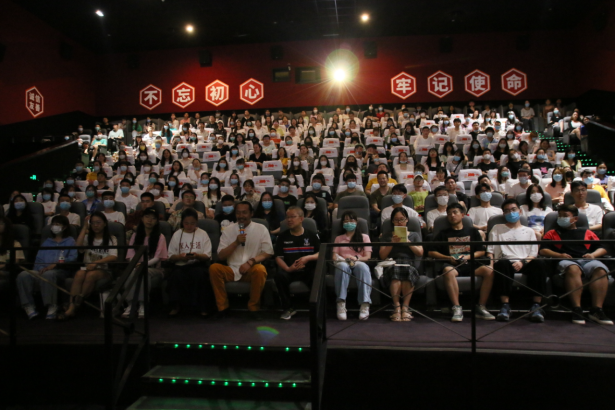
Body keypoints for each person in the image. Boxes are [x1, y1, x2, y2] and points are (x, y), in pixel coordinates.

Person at [539, 205, 613, 325]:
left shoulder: (587, 232)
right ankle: (577, 309)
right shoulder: (552, 233)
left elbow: (603, 248)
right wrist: (559, 255)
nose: (561, 218)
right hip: (566, 261)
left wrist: (593, 255)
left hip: (588, 260)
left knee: (600, 269)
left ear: (575, 219)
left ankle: (596, 310)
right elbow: (543, 250)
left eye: (565, 216)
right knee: (573, 269)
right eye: (560, 216)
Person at [428, 203, 495, 322]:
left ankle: (481, 306)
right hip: (453, 264)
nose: (452, 215)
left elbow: (481, 251)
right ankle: (456, 307)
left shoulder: (472, 231)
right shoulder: (443, 233)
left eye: (455, 212)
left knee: (489, 270)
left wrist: (468, 257)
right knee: (447, 271)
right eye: (449, 214)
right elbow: (431, 252)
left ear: (462, 215)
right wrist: (448, 258)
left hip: (471, 264)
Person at [209, 202, 274, 319]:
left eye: (244, 212)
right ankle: (223, 308)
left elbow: (268, 252)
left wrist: (251, 262)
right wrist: (236, 242)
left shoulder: (261, 228)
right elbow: (221, 256)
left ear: (251, 213)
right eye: (238, 213)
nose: (241, 216)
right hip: (232, 269)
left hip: (251, 269)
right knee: (214, 268)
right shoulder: (228, 230)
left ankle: (254, 308)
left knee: (260, 269)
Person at [487, 199, 547, 322]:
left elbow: (533, 254)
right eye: (507, 211)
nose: (511, 213)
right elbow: (490, 251)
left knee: (539, 263)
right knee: (502, 264)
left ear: (520, 211)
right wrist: (490, 265)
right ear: (504, 214)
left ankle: (536, 306)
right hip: (505, 261)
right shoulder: (497, 228)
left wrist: (522, 262)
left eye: (513, 209)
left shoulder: (529, 231)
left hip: (525, 262)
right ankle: (505, 305)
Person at [17, 215, 77, 320]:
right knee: (24, 275)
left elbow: (72, 258)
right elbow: (39, 259)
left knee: (49, 274)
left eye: (57, 224)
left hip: (60, 271)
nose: (54, 226)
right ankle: (28, 305)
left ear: (64, 227)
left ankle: (52, 305)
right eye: (53, 224)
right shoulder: (47, 242)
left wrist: (55, 265)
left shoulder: (70, 241)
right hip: (42, 270)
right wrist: (39, 269)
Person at [62, 212, 118, 319]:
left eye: (98, 222)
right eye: (93, 223)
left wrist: (96, 263)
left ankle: (74, 305)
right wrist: (84, 228)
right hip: (87, 268)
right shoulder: (88, 238)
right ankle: (72, 306)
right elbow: (78, 247)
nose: (95, 225)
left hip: (104, 269)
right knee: (79, 273)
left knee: (90, 275)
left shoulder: (111, 239)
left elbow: (113, 256)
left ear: (105, 223)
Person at [165, 208, 214, 317]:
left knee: (199, 274)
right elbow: (171, 256)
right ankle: (176, 306)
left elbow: (207, 255)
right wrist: (180, 257)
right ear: (182, 222)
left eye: (192, 223)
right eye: (186, 223)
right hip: (180, 265)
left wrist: (197, 256)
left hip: (198, 264)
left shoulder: (203, 234)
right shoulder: (177, 234)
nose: (189, 226)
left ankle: (202, 307)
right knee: (176, 275)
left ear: (196, 222)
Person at [274, 207, 320, 320]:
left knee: (317, 275)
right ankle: (288, 308)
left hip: (308, 270)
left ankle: (316, 309)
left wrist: (307, 258)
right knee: (279, 276)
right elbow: (278, 257)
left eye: (292, 217)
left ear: (301, 219)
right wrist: (288, 269)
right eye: (287, 217)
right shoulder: (282, 236)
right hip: (290, 270)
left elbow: (321, 253)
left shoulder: (311, 235)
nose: (289, 220)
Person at [379, 208, 423, 322]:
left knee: (408, 271)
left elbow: (420, 252)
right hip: (392, 262)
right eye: (396, 220)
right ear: (392, 221)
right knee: (395, 271)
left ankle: (405, 307)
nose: (399, 222)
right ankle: (397, 307)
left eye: (402, 219)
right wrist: (392, 243)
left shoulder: (414, 235)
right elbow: (382, 256)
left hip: (409, 262)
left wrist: (408, 242)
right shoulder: (387, 236)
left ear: (407, 220)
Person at [122, 208, 168, 318]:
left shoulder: (160, 237)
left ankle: (142, 304)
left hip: (154, 269)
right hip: (136, 267)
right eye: (147, 217)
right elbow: (130, 255)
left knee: (143, 272)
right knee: (132, 272)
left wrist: (143, 265)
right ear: (142, 219)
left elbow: (157, 257)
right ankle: (130, 304)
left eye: (153, 218)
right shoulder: (135, 235)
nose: (149, 220)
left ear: (156, 221)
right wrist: (136, 264)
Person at [332, 211, 372, 321]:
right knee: (342, 267)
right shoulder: (338, 238)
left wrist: (356, 258)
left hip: (358, 261)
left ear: (356, 222)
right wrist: (344, 259)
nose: (349, 222)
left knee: (362, 267)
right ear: (342, 223)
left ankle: (364, 304)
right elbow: (334, 256)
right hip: (343, 262)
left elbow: (367, 256)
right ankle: (341, 303)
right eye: (346, 220)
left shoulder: (364, 237)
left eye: (351, 220)